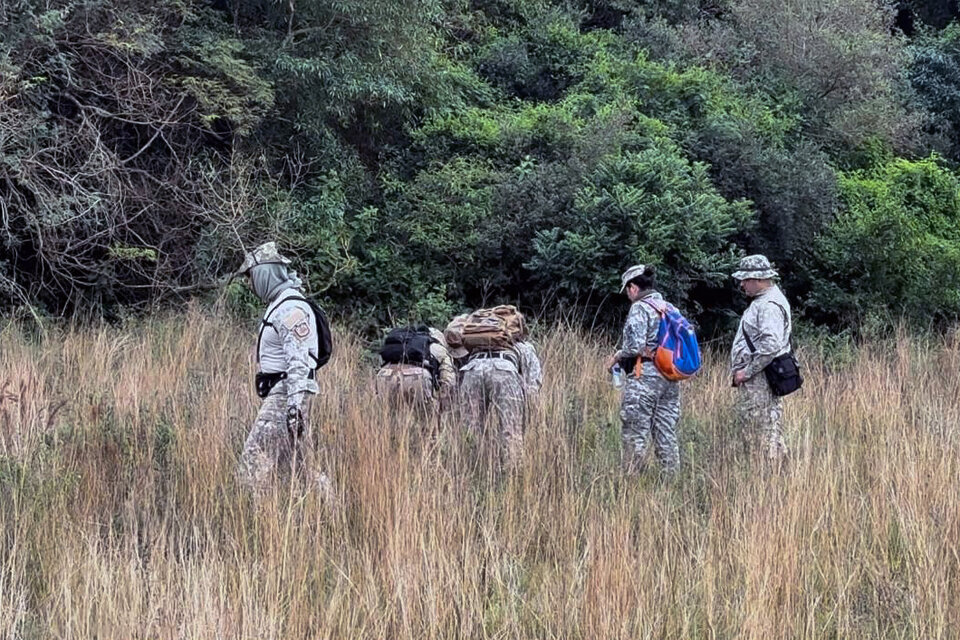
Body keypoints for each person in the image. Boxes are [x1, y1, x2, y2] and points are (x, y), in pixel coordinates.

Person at [235, 242, 329, 495]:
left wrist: (293, 405)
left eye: (250, 276)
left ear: (265, 273)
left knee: (252, 464)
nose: (249, 283)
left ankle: (257, 522)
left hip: (285, 394)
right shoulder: (281, 303)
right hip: (286, 393)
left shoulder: (290, 309)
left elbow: (298, 360)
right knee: (302, 468)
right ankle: (330, 518)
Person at [604, 265, 681, 476]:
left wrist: (618, 356)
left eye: (627, 290)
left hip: (644, 376)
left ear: (633, 287)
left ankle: (631, 483)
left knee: (634, 430)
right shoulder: (670, 307)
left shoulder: (640, 307)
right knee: (666, 431)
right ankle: (670, 481)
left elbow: (634, 347)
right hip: (670, 376)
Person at [457, 308, 541, 470]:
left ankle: (475, 470)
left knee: (471, 429)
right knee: (510, 429)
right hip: (504, 371)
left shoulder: (479, 345)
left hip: (472, 370)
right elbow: (533, 385)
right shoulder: (524, 346)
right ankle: (514, 473)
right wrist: (532, 415)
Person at [730, 254, 792, 464]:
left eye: (745, 280)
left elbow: (770, 345)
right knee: (769, 427)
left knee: (759, 430)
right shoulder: (767, 299)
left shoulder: (768, 305)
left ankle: (763, 478)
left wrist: (746, 372)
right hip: (761, 377)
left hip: (760, 380)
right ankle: (777, 474)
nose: (742, 285)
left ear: (757, 279)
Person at [375, 327, 457, 414]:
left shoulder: (400, 343)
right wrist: (441, 403)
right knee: (425, 420)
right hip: (417, 377)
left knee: (391, 416)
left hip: (385, 376)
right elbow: (449, 381)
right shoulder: (437, 347)